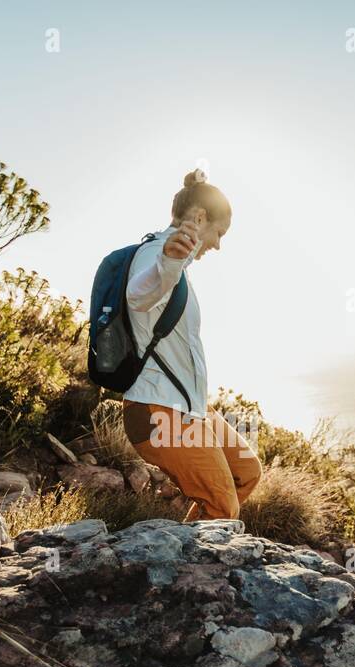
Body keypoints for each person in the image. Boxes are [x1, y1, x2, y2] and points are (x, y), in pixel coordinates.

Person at [121, 169, 262, 521]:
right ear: (200, 218)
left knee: (246, 471)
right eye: (218, 232)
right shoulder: (157, 253)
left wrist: (174, 264)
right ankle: (194, 569)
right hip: (158, 411)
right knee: (223, 505)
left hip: (186, 406)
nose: (217, 244)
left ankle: (192, 545)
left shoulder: (179, 267)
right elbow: (138, 295)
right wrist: (168, 262)